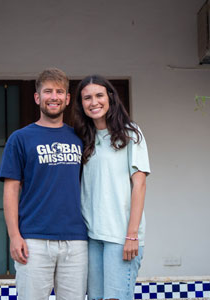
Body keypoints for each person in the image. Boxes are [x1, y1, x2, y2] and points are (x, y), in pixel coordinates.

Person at [0, 68, 88, 300]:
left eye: (60, 92)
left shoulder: (80, 138)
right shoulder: (20, 139)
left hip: (76, 240)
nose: (54, 97)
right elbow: (10, 190)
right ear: (38, 97)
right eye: (48, 91)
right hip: (34, 240)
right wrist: (14, 236)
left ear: (67, 99)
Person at [74, 75, 150, 300]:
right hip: (91, 236)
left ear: (111, 98)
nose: (93, 102)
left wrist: (132, 235)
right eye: (87, 97)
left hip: (121, 236)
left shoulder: (130, 133)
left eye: (99, 95)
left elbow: (140, 184)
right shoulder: (83, 138)